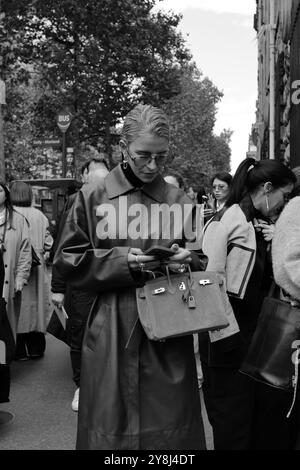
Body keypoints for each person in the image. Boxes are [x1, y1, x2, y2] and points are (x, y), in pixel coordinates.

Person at [54, 104, 206, 450]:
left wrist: (188, 260)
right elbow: (66, 259)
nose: (152, 165)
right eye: (143, 156)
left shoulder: (180, 201)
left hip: (168, 326)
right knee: (111, 432)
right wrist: (122, 261)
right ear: (123, 148)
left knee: (171, 435)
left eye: (161, 157)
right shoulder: (91, 197)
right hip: (112, 325)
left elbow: (201, 259)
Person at [199, 157, 296, 450]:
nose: (285, 203)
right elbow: (209, 281)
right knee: (233, 429)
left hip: (253, 344)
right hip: (227, 342)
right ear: (267, 188)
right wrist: (226, 338)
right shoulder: (229, 220)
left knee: (252, 427)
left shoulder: (258, 222)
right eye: (284, 195)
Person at [51, 156, 109, 412]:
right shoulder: (77, 203)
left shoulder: (119, 204)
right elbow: (63, 249)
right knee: (80, 334)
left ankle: (104, 385)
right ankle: (82, 386)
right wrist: (58, 288)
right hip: (82, 284)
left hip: (109, 281)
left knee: (108, 335)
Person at [9, 181, 53, 360]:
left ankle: (18, 350)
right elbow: (49, 242)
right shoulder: (39, 215)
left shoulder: (10, 215)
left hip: (14, 267)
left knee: (16, 307)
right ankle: (36, 348)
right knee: (37, 307)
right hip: (37, 267)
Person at [0, 182, 31, 413]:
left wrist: (21, 277)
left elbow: (24, 251)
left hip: (7, 287)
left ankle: (3, 369)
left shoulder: (18, 220)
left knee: (4, 335)